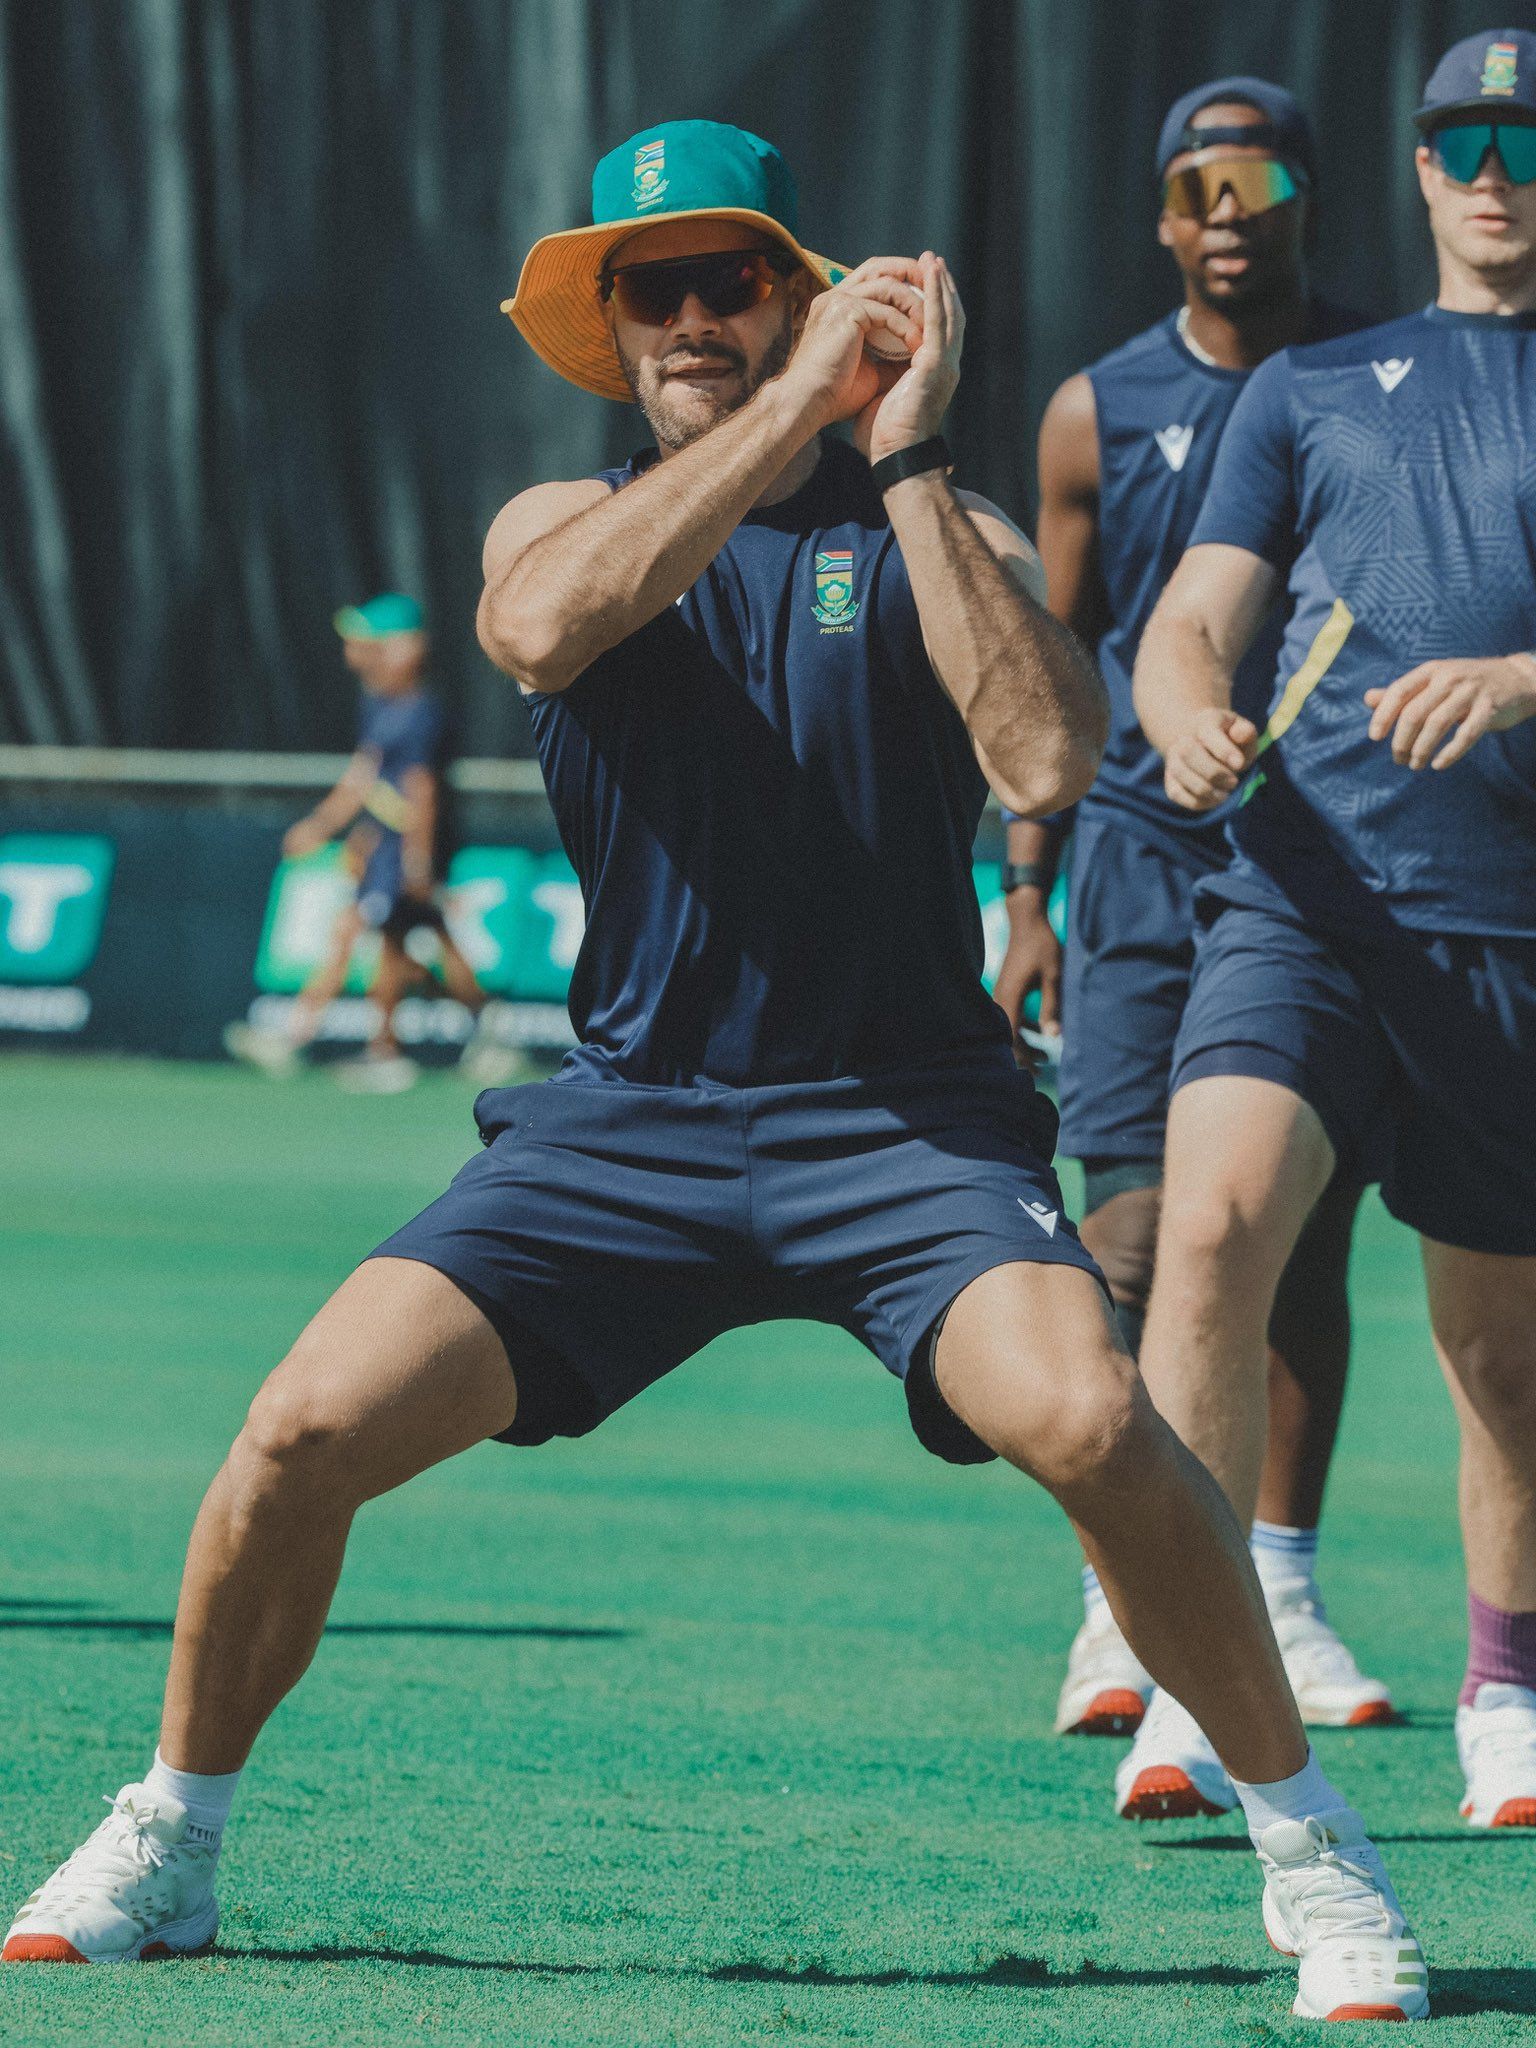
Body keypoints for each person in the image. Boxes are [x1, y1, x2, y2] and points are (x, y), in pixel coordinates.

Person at [5, 121, 1426, 2023]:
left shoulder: (942, 524)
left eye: (725, 279)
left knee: (1092, 1418)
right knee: (300, 1427)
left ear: (796, 290)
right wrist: (803, 395)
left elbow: (1038, 763)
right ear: (612, 323)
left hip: (904, 1122)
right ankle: (169, 1831)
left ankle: (1314, 1846)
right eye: (645, 288)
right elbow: (538, 624)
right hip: (630, 1125)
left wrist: (902, 443)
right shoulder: (552, 521)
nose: (683, 316)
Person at [1126, 28, 1536, 1835]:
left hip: (1506, 935)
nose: (1498, 172)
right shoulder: (1310, 384)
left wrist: (1523, 677)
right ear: (1423, 168)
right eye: (1465, 143)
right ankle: (1185, 1676)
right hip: (1304, 901)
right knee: (1203, 1236)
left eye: (1527, 139)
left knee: (1501, 1356)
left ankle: (1508, 1690)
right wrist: (1185, 705)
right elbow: (1186, 618)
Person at [992, 82, 1392, 1761]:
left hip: (1332, 870)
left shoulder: (1385, 379)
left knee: (1294, 1245)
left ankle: (1279, 1591)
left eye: (1261, 175)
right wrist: (1025, 883)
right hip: (1145, 871)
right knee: (1138, 1244)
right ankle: (1121, 1589)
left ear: (1309, 194)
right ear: (1163, 217)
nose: (1229, 205)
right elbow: (1050, 659)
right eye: (1195, 182)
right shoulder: (1100, 410)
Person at [225, 594, 498, 1092]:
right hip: (386, 847)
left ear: (404, 649)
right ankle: (484, 1037)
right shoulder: (379, 706)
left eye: (369, 643)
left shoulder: (420, 713)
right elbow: (366, 781)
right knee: (408, 939)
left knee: (378, 936)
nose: (356, 652)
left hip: (410, 850)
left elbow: (421, 791)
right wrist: (340, 831)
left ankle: (372, 1050)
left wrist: (418, 861)